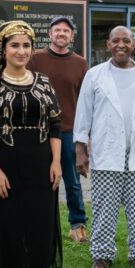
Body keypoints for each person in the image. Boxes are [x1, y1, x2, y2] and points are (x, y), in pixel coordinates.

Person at [0, 21, 63, 268]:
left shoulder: (43, 82)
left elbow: (55, 124)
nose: (21, 51)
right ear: (3, 49)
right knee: (9, 224)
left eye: (26, 45)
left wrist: (57, 162)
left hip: (41, 164)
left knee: (40, 221)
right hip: (5, 164)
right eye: (15, 45)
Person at [74, 26, 135, 268]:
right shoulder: (95, 75)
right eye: (116, 40)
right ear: (108, 44)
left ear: (133, 44)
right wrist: (80, 151)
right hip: (106, 154)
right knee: (105, 207)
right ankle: (102, 256)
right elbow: (83, 114)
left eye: (126, 40)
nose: (121, 45)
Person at [28, 16, 90, 245]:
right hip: (40, 130)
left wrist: (86, 136)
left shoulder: (81, 63)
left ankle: (78, 225)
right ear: (50, 34)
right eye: (57, 30)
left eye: (66, 31)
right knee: (42, 180)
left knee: (72, 180)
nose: (61, 34)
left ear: (72, 36)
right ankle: (44, 224)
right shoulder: (35, 59)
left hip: (69, 130)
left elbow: (87, 100)